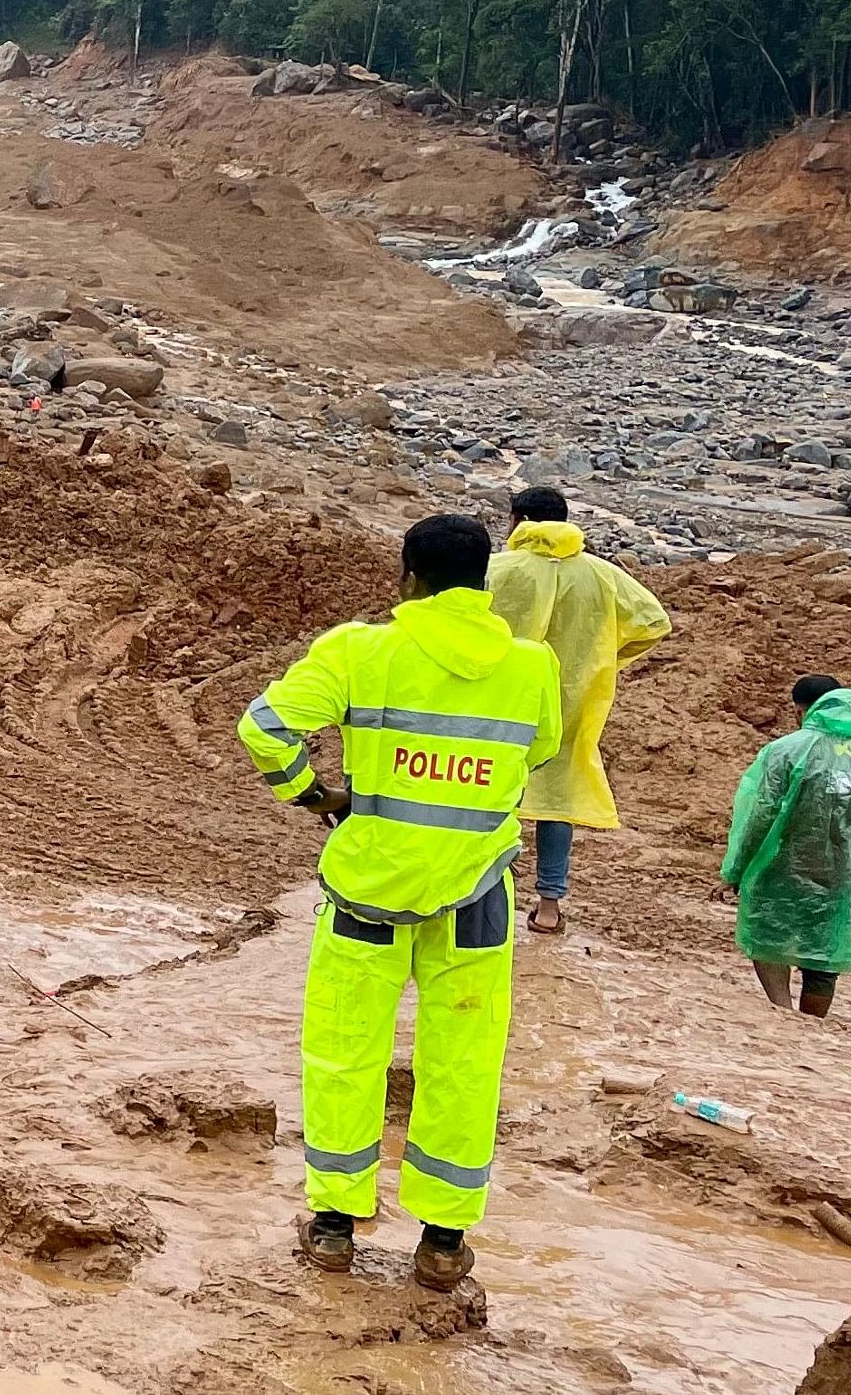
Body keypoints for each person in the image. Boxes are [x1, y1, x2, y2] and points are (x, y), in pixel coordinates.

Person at [240, 513, 563, 1294]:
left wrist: (311, 792)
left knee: (346, 1053)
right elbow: (542, 748)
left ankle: (333, 1229)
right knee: (464, 1065)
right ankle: (444, 1244)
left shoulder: (361, 650)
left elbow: (265, 726)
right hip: (477, 896)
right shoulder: (532, 666)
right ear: (482, 579)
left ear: (408, 577)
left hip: (368, 894)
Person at [487, 487, 672, 934]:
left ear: (520, 520)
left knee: (491, 785)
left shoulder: (498, 568)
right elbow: (654, 621)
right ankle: (549, 906)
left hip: (499, 693)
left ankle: (490, 886)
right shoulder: (601, 573)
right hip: (570, 698)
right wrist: (604, 656)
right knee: (559, 796)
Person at [722, 676, 851, 1020]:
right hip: (850, 868)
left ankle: (782, 1012)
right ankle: (812, 1020)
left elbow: (761, 814)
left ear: (801, 711)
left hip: (785, 863)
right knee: (827, 944)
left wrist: (735, 870)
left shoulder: (787, 749)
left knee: (769, 932)